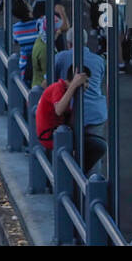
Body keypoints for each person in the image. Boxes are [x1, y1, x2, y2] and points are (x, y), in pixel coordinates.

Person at [52, 31, 109, 173]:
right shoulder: (98, 60)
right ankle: (95, 189)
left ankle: (72, 186)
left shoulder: (60, 58)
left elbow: (51, 81)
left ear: (68, 42)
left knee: (70, 152)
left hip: (71, 114)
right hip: (96, 113)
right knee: (95, 154)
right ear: (86, 41)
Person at [28, 0, 68, 88]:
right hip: (44, 90)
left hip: (35, 83)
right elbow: (66, 26)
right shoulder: (49, 18)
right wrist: (61, 12)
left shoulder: (38, 24)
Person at [11, 0, 41, 74]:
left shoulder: (16, 28)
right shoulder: (39, 23)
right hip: (40, 62)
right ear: (27, 9)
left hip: (25, 65)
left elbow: (15, 41)